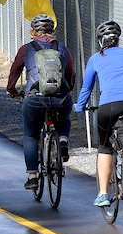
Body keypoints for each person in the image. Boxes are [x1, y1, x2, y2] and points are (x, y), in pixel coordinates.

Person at [74, 20, 123, 207]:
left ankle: (103, 194)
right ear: (117, 40)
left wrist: (80, 106)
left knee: (106, 147)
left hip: (109, 106)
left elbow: (87, 88)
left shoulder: (95, 58)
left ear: (100, 41)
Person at [6, 14, 76, 190]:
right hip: (61, 98)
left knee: (31, 135)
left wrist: (12, 90)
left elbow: (14, 71)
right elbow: (71, 74)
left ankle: (32, 176)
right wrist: (68, 90)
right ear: (53, 31)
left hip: (36, 98)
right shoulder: (62, 47)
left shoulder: (26, 49)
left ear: (32, 32)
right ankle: (62, 140)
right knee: (65, 119)